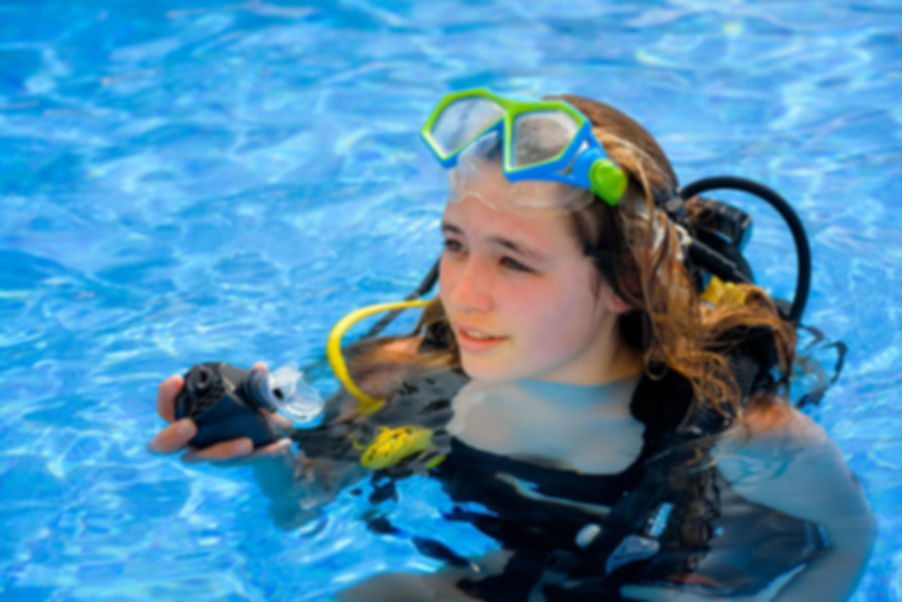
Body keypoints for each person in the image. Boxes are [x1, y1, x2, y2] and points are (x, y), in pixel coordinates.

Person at [149, 89, 876, 601]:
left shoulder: (736, 434)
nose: (463, 292)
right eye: (456, 245)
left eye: (515, 260)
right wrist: (266, 461)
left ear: (626, 279)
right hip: (510, 566)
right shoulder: (402, 381)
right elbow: (301, 508)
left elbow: (848, 541)